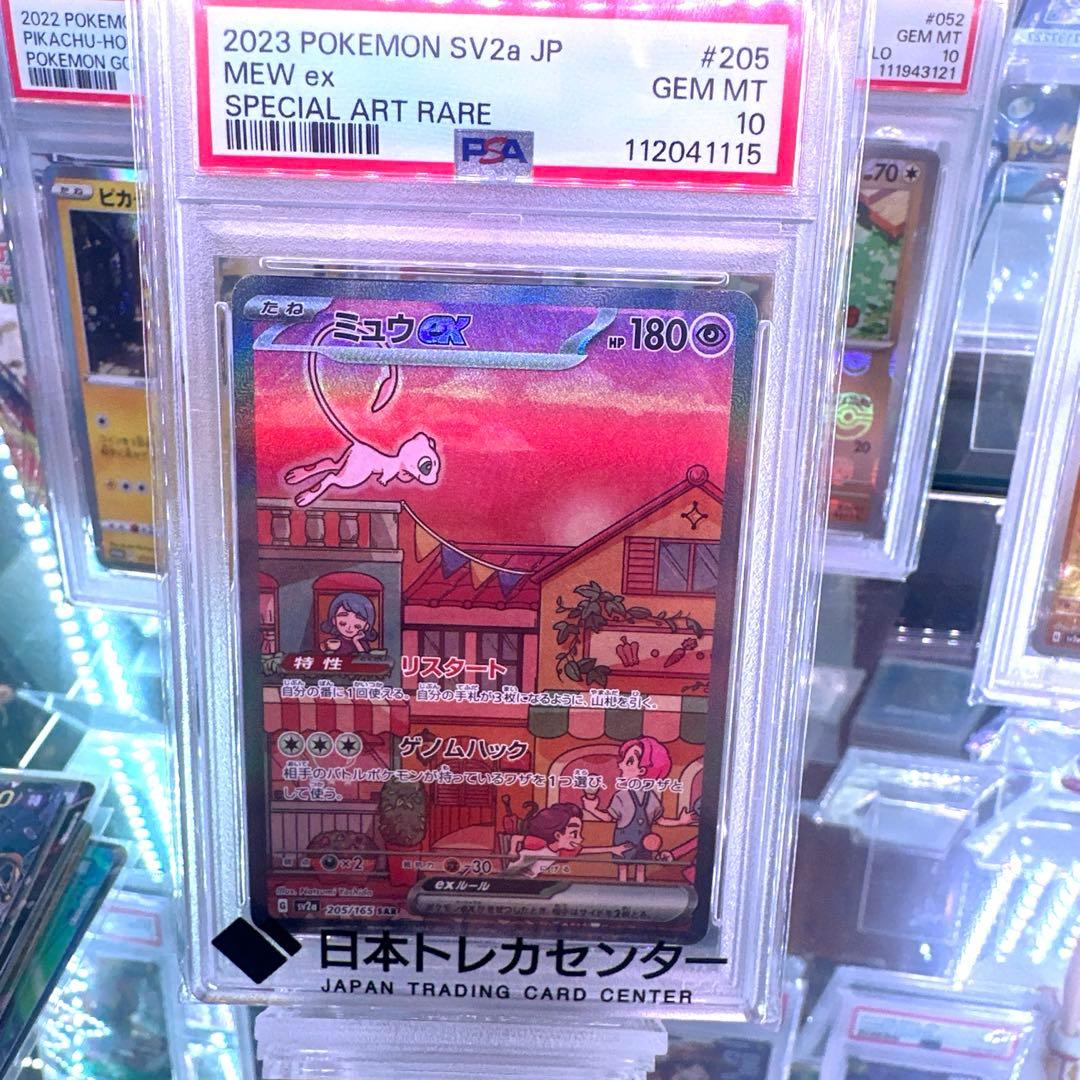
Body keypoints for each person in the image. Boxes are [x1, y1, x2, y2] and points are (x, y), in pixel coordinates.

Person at [582, 736, 696, 883]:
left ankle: (640, 888)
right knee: (623, 869)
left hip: (645, 841)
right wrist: (592, 810)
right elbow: (610, 817)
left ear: (642, 770)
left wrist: (680, 822)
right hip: (624, 840)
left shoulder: (649, 797)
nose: (620, 765)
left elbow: (659, 820)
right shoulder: (622, 795)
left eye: (629, 761)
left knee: (640, 868)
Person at [503, 802, 629, 878]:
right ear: (558, 835)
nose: (580, 838)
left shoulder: (560, 852)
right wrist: (512, 852)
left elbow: (584, 850)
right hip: (511, 877)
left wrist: (613, 849)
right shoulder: (539, 843)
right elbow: (516, 838)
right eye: (574, 833)